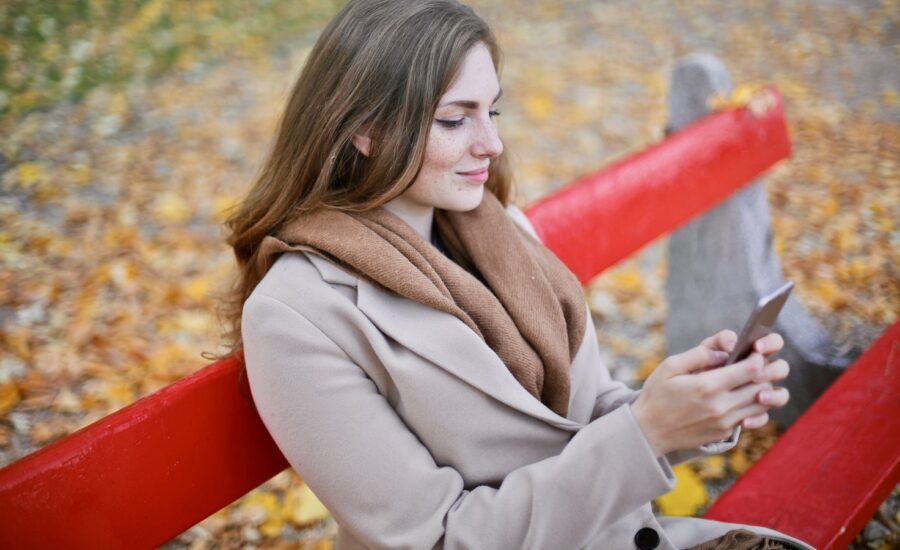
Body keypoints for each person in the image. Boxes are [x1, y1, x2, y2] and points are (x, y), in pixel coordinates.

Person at [224, 1, 814, 548]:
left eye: (492, 111)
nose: (494, 144)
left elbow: (577, 421)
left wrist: (690, 407)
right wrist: (646, 433)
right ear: (367, 131)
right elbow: (438, 538)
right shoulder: (296, 313)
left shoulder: (498, 230)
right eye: (457, 120)